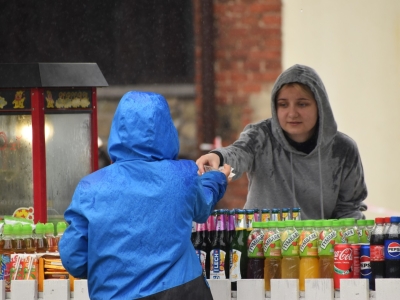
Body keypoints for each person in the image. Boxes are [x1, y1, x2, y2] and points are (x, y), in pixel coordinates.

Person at [59, 91, 231, 299]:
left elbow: (74, 259)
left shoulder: (90, 188)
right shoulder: (182, 176)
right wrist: (217, 178)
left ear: (119, 129)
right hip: (181, 291)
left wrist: (111, 269)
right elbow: (204, 206)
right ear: (167, 130)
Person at [196, 64, 367, 220]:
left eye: (302, 104)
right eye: (283, 105)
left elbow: (349, 210)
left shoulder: (343, 150)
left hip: (318, 249)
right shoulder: (260, 136)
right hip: (260, 247)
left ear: (320, 107)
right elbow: (238, 153)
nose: (292, 113)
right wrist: (218, 157)